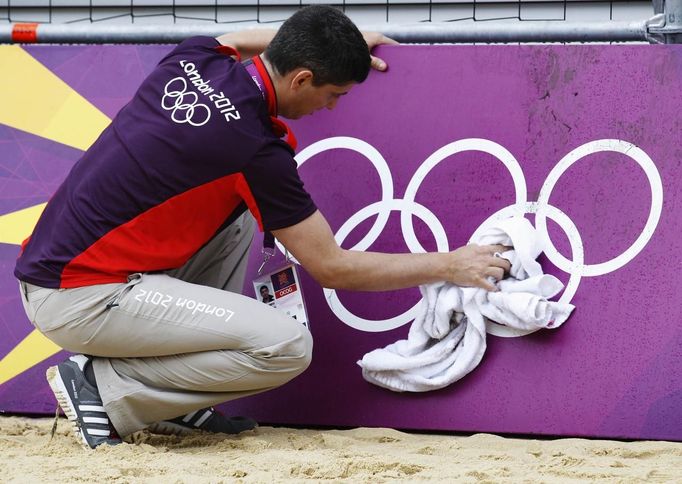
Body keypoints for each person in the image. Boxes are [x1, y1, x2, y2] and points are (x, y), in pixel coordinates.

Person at [14, 5, 510, 449]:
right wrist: (451, 263)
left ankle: (178, 403)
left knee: (231, 221)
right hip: (82, 298)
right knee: (287, 347)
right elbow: (333, 267)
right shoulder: (254, 148)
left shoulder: (192, 59)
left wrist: (341, 40)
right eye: (333, 93)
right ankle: (103, 390)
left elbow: (242, 38)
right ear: (301, 79)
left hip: (53, 270)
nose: (332, 106)